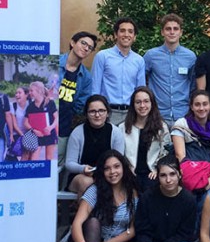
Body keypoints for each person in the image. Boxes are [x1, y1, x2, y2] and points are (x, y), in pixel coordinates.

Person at [66, 95, 125, 196]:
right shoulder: (78, 132)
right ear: (86, 114)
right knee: (88, 183)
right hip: (81, 175)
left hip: (108, 174)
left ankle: (111, 212)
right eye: (92, 111)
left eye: (101, 111)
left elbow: (119, 161)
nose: (97, 115)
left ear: (107, 113)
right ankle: (86, 212)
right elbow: (69, 163)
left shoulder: (116, 132)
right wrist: (83, 169)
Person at [144, 14, 197, 127]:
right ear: (162, 32)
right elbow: (142, 81)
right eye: (168, 29)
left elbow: (193, 85)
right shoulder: (151, 56)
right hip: (157, 115)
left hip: (183, 115)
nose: (172, 32)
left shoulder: (190, 56)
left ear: (181, 32)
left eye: (175, 29)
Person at [91, 17, 145, 125]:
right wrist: (95, 112)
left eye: (130, 32)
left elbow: (141, 91)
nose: (126, 34)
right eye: (122, 31)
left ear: (134, 37)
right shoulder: (103, 56)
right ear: (116, 35)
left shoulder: (139, 60)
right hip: (107, 113)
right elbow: (95, 88)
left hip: (131, 114)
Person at [171, 90, 210, 192]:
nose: (201, 108)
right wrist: (198, 178)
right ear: (191, 107)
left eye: (205, 104)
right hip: (189, 174)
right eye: (197, 104)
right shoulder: (181, 124)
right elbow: (180, 156)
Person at [119, 86, 171, 193]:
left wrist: (158, 169)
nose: (142, 105)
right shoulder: (122, 128)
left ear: (152, 104)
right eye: (138, 102)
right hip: (130, 172)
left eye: (146, 101)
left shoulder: (161, 127)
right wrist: (127, 168)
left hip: (152, 172)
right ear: (133, 105)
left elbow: (165, 152)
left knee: (151, 189)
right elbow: (120, 154)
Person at [59, 31, 96, 163]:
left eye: (90, 48)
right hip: (42, 126)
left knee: (59, 167)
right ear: (73, 43)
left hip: (63, 128)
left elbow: (80, 105)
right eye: (83, 43)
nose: (86, 48)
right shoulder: (53, 63)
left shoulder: (86, 77)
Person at [24, 81, 58, 161]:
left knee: (49, 159)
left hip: (49, 133)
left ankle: (48, 173)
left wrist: (50, 127)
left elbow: (56, 118)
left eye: (32, 91)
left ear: (39, 90)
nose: (30, 93)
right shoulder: (31, 106)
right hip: (36, 135)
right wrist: (34, 130)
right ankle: (34, 173)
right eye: (29, 91)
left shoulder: (50, 103)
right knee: (33, 159)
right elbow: (25, 122)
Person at [7, 86, 30, 160]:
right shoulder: (13, 106)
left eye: (19, 93)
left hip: (29, 133)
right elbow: (14, 124)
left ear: (26, 95)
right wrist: (22, 135)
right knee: (12, 155)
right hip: (17, 133)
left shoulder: (30, 104)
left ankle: (24, 170)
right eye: (16, 93)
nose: (17, 95)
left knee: (27, 155)